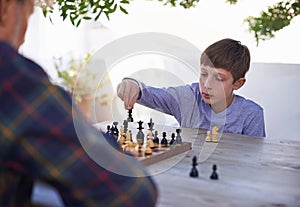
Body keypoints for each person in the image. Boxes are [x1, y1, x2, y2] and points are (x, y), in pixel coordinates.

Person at [0, 0, 157, 206]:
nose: (22, 39)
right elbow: (132, 193)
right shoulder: (12, 77)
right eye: (28, 16)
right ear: (5, 8)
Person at [117, 38, 266, 137]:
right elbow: (149, 94)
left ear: (238, 83)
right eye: (203, 74)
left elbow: (254, 161)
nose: (207, 85)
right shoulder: (188, 97)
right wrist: (132, 84)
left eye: (219, 78)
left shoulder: (251, 115)